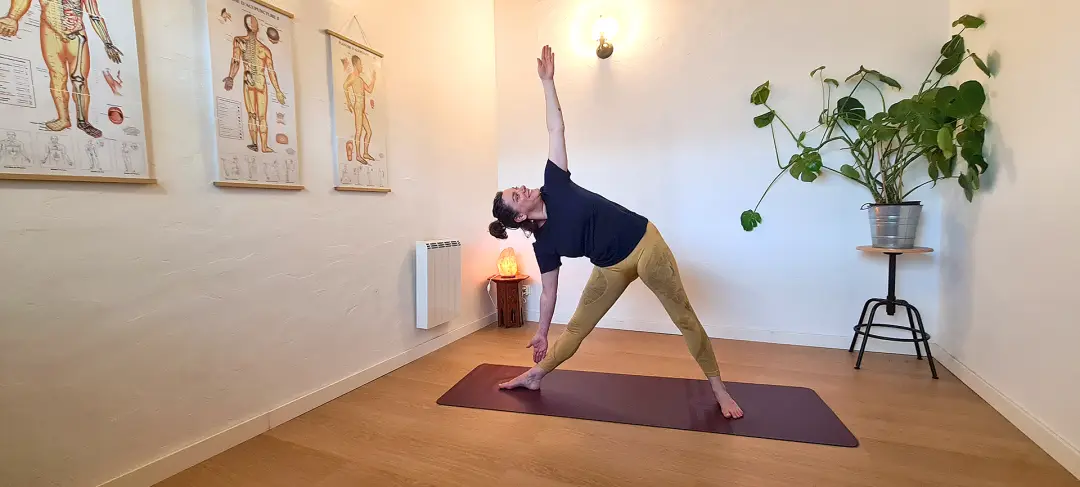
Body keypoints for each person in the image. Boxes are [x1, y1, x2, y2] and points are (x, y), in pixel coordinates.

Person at [488, 46, 744, 419]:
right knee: (577, 327)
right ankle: (535, 376)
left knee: (684, 318)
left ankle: (720, 390)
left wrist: (548, 82)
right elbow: (549, 293)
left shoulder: (554, 183)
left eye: (517, 187)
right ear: (519, 216)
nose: (523, 189)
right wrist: (541, 332)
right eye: (516, 196)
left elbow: (556, 128)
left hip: (645, 244)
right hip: (610, 266)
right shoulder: (545, 246)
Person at [0, 0, 124, 138]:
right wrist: (13, 17)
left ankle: (83, 121)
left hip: (76, 35)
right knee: (57, 77)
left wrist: (107, 42)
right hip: (50, 31)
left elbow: (94, 14)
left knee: (79, 80)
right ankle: (64, 119)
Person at [223, 14, 286, 153]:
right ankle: (260, 145)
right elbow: (236, 61)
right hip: (257, 81)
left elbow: (237, 61)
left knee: (255, 115)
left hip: (252, 81)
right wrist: (231, 77)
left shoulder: (245, 43)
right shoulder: (260, 48)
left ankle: (258, 145)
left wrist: (231, 77)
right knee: (258, 116)